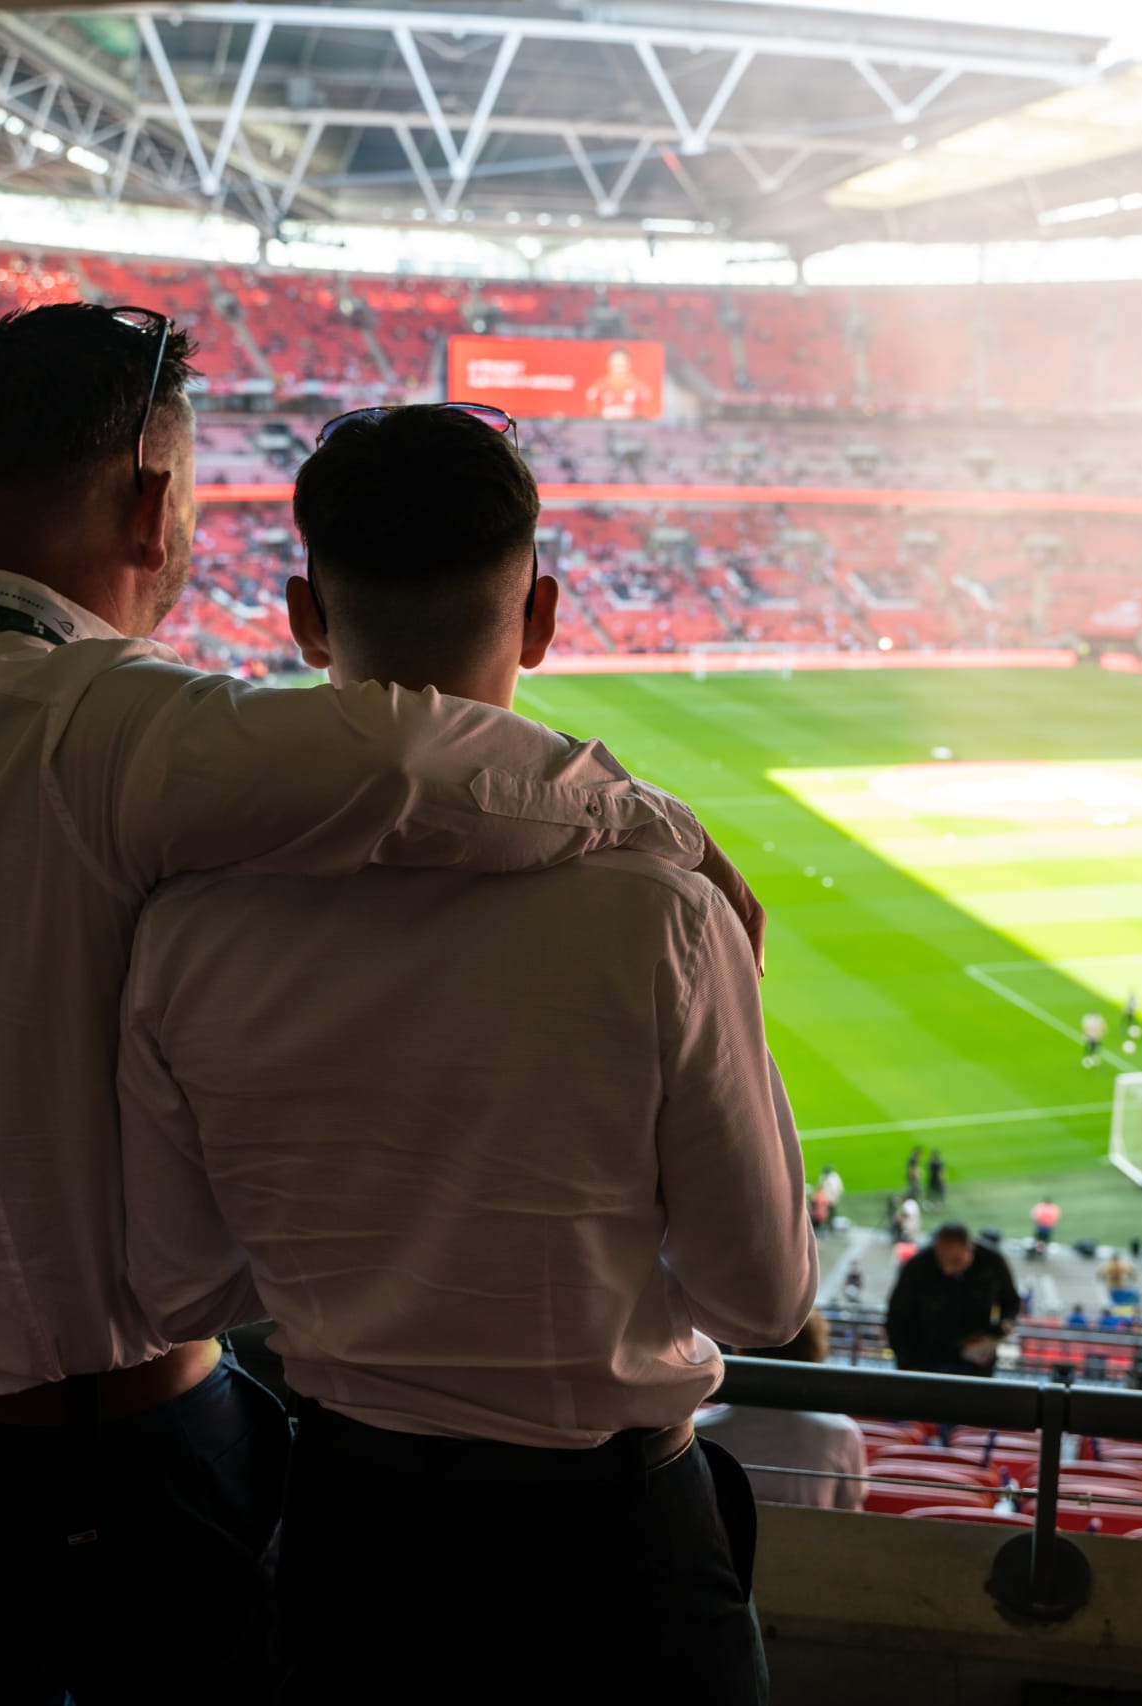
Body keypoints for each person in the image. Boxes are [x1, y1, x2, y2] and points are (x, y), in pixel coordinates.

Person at [0, 311, 758, 1703]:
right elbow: (413, 749)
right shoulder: (121, 725)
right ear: (150, 502)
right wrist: (662, 832)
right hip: (106, 1443)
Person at [117, 402, 808, 1703]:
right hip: (621, 1554)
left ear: (304, 616)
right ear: (541, 614)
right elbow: (765, 1293)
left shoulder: (185, 927)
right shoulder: (663, 911)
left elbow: (172, 1288)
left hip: (356, 1540)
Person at [693, 1313, 867, 1512]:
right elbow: (849, 1513)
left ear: (743, 1350)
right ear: (815, 1354)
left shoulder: (699, 1430)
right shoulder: (842, 1434)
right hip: (808, 1542)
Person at [886, 1224, 1020, 1376]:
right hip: (926, 1357)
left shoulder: (993, 1262)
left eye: (956, 1261)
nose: (947, 1269)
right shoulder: (917, 1266)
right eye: (941, 1259)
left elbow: (1011, 1300)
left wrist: (1006, 1321)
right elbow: (897, 1316)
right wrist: (907, 1363)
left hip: (976, 1357)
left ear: (970, 1249)